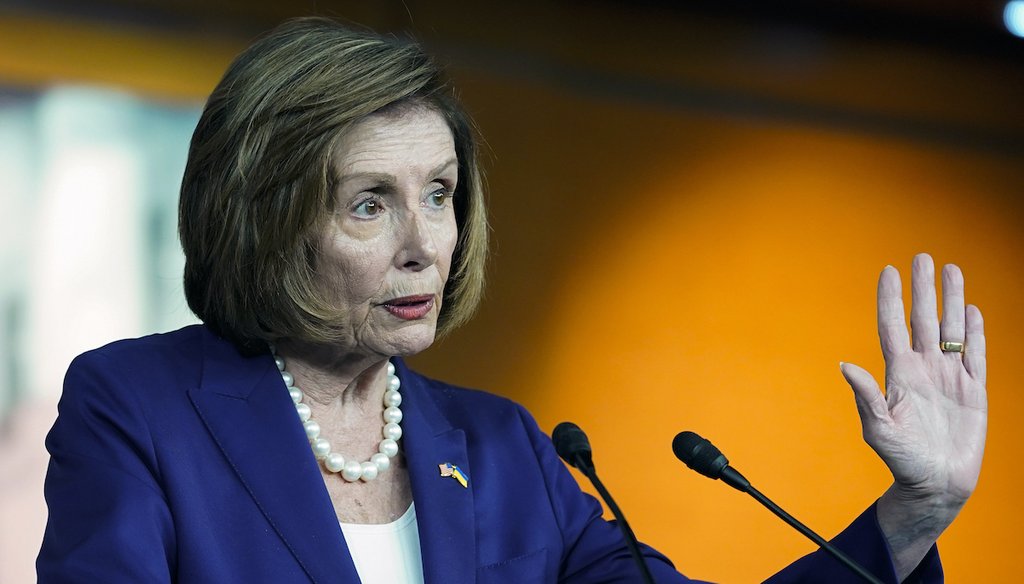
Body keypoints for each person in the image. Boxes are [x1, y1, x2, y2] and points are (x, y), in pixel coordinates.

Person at [36, 17, 986, 584]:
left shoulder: (508, 454)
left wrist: (915, 511)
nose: (425, 246)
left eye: (441, 195)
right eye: (372, 204)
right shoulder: (140, 408)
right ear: (265, 219)